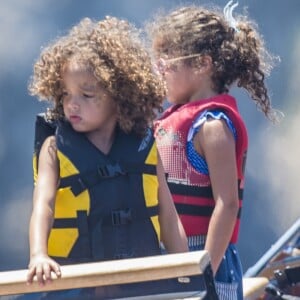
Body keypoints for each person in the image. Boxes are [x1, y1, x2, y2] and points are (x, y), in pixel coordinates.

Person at [24, 16, 188, 299]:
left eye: (87, 95)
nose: (72, 103)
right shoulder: (54, 148)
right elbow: (44, 207)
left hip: (142, 284)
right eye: (65, 94)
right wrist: (38, 255)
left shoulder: (144, 145)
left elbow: (168, 214)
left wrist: (185, 266)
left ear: (119, 95)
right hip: (76, 283)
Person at [146, 1, 281, 299]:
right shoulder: (171, 119)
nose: (160, 70)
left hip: (205, 257)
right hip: (167, 254)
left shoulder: (212, 125)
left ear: (202, 64)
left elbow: (227, 204)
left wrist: (204, 272)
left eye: (167, 59)